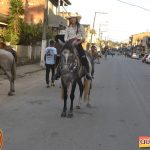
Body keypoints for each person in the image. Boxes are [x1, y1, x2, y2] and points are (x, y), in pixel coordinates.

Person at [53, 13, 92, 80]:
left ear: (76, 19)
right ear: (70, 20)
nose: (72, 19)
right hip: (68, 43)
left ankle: (87, 72)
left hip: (78, 43)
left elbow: (84, 38)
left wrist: (77, 42)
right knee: (60, 55)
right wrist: (68, 41)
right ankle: (57, 72)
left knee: (83, 56)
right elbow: (65, 37)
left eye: (74, 18)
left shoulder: (81, 27)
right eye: (71, 18)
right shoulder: (68, 28)